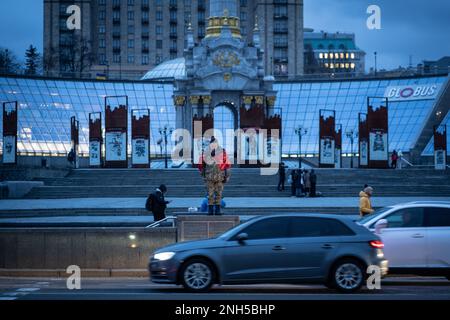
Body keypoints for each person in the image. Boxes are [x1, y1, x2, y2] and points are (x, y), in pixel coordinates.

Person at [198, 136, 231, 215]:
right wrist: (203, 175)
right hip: (214, 177)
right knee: (213, 194)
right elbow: (201, 165)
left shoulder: (219, 152)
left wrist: (227, 176)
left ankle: (214, 210)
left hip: (215, 177)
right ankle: (214, 210)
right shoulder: (207, 152)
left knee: (215, 194)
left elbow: (227, 165)